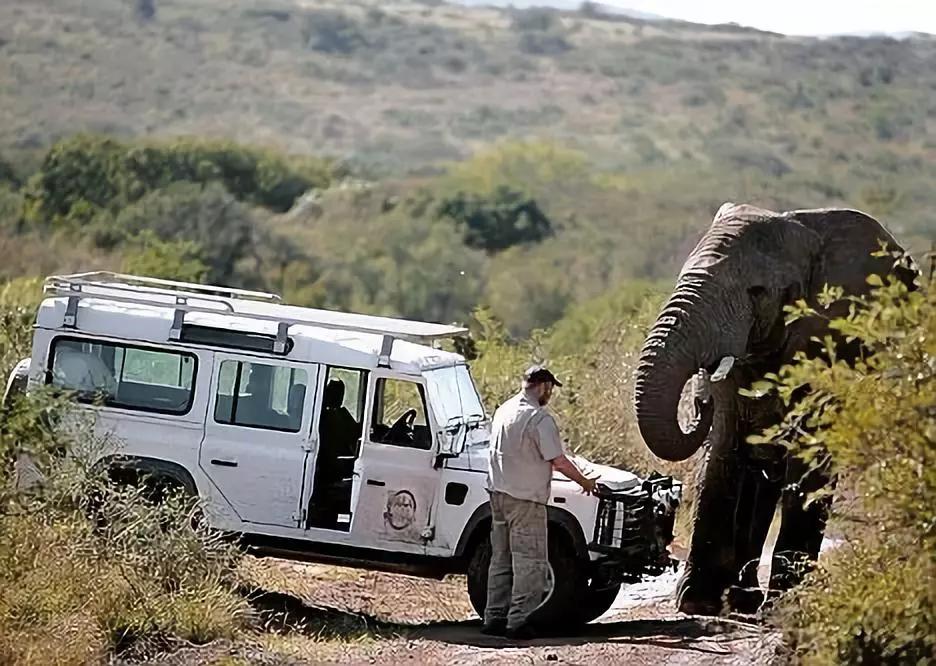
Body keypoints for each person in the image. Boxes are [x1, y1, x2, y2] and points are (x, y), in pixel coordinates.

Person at [483, 365, 598, 639]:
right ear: (544, 386)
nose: (550, 394)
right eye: (550, 389)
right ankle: (517, 622)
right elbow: (558, 461)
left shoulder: (504, 410)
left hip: (498, 495)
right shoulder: (538, 419)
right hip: (525, 500)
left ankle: (494, 617)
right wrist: (585, 482)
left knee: (501, 560)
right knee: (530, 562)